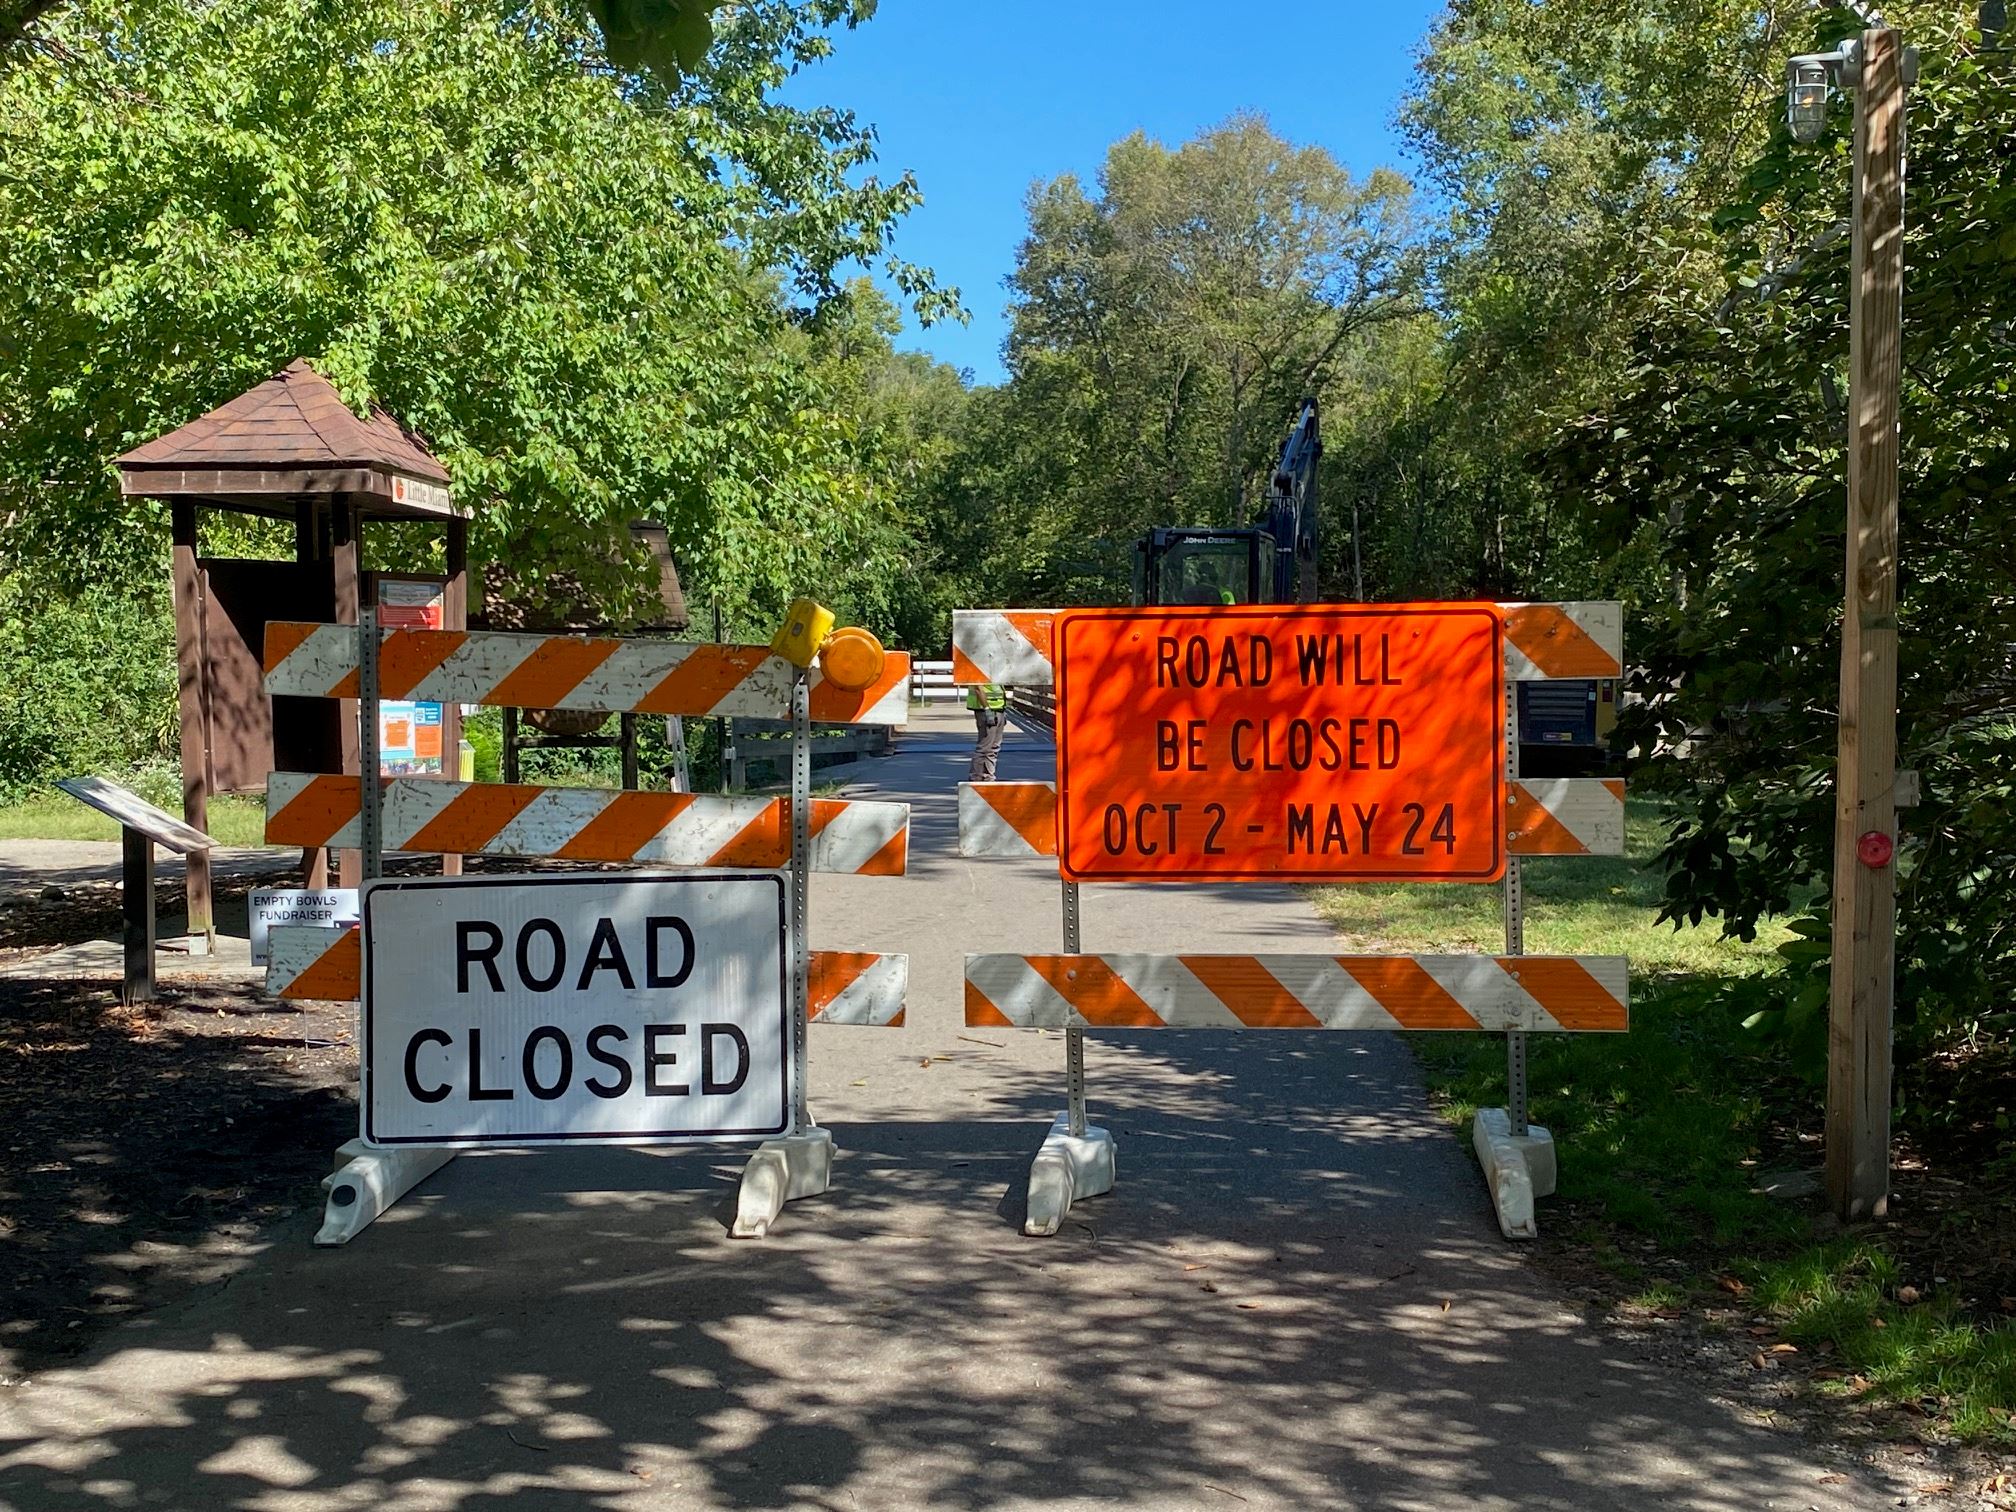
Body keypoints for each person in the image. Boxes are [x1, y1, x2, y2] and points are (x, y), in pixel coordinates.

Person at [965, 680, 1007, 781]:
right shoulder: (978, 668)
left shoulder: (991, 667)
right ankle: (976, 778)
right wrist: (987, 709)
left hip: (998, 708)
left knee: (994, 747)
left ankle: (988, 777)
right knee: (984, 748)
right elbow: (978, 688)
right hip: (986, 709)